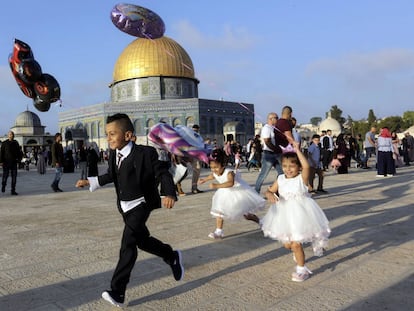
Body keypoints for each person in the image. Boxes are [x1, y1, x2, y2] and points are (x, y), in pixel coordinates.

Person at [75, 113, 183, 308]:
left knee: (128, 246)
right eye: (107, 134)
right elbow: (111, 175)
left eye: (112, 134)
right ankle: (170, 255)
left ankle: (118, 291)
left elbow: (162, 172)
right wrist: (90, 181)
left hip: (141, 204)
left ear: (127, 135)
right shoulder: (114, 153)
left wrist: (169, 193)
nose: (108, 138)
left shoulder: (145, 153)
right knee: (142, 241)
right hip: (124, 207)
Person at [246, 141, 330, 282]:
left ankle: (302, 269)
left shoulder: (301, 179)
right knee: (288, 244)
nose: (288, 169)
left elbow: (307, 166)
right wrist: (270, 194)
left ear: (298, 167)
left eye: (292, 166)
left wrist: (297, 150)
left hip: (300, 214)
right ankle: (297, 253)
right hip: (283, 215)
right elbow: (269, 190)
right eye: (285, 166)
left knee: (296, 243)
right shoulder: (280, 178)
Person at [198, 148, 265, 239]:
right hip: (224, 194)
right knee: (219, 211)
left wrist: (216, 186)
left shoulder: (229, 172)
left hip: (237, 193)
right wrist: (204, 179)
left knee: (247, 214)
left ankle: (261, 222)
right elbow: (212, 175)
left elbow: (230, 183)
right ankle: (219, 231)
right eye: (212, 167)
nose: (214, 170)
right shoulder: (215, 172)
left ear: (223, 165)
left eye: (216, 167)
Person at [254, 112, 282, 193]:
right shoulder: (266, 128)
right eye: (276, 117)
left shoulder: (273, 128)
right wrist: (276, 149)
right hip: (269, 154)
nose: (277, 119)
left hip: (275, 154)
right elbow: (267, 142)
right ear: (271, 119)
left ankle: (275, 189)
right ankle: (256, 192)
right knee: (263, 175)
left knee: (282, 174)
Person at [0, 130, 23, 195]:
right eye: (10, 134)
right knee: (5, 176)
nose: (11, 135)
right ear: (8, 135)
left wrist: (19, 159)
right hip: (6, 162)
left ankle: (13, 190)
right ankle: (3, 185)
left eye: (12, 134)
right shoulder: (4, 143)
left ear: (14, 136)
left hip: (14, 162)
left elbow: (19, 152)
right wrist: (1, 161)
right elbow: (1, 153)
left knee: (14, 177)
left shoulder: (16, 143)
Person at [190, 124, 204, 194]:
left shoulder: (196, 136)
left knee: (197, 172)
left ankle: (195, 188)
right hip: (195, 156)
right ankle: (194, 188)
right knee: (196, 171)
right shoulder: (193, 136)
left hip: (197, 155)